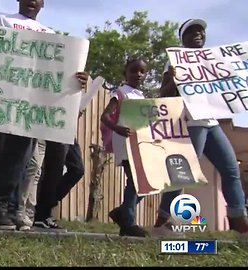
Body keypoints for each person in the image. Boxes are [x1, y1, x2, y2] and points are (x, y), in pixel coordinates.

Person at [0, 0, 88, 230]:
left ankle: (9, 208)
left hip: (32, 104)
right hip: (3, 98)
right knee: (11, 155)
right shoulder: (1, 20)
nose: (31, 1)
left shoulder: (49, 35)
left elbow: (57, 72)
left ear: (43, 4)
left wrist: (76, 79)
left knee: (26, 160)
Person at [153, 18, 248, 235]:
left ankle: (238, 220)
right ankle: (163, 221)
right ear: (182, 38)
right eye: (192, 31)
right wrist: (174, 80)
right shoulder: (175, 61)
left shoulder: (214, 60)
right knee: (182, 174)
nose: (198, 34)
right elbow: (163, 95)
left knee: (231, 169)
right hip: (191, 122)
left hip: (211, 122)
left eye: (201, 31)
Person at [100, 57, 151, 237]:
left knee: (146, 182)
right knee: (136, 181)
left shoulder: (142, 96)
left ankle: (121, 212)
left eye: (142, 71)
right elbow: (104, 117)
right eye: (133, 70)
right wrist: (118, 129)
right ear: (125, 74)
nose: (138, 74)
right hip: (125, 141)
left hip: (139, 143)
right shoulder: (121, 92)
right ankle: (128, 223)